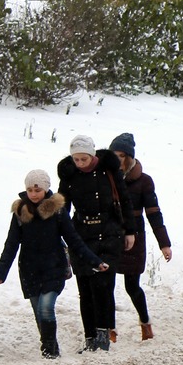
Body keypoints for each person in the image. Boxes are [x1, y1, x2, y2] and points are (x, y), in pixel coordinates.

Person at [0, 170, 109, 359]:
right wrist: (0, 273)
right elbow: (11, 245)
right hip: (29, 269)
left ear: (46, 189)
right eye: (29, 189)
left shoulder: (57, 211)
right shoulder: (21, 213)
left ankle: (48, 351)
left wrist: (95, 261)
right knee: (39, 311)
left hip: (53, 267)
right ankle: (50, 344)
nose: (33, 194)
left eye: (37, 189)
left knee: (46, 307)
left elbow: (74, 240)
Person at [56, 134, 136, 352]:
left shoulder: (108, 170)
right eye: (76, 160)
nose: (80, 164)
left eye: (84, 159)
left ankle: (103, 335)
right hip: (81, 234)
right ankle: (90, 337)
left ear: (92, 155)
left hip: (109, 233)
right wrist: (59, 233)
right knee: (85, 289)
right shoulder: (70, 175)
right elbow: (62, 207)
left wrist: (130, 230)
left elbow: (125, 200)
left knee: (103, 285)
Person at [110, 132, 172, 342]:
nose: (117, 159)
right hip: (109, 235)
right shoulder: (104, 178)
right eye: (114, 154)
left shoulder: (143, 181)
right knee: (105, 283)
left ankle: (145, 323)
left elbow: (154, 213)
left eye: (121, 155)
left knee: (132, 285)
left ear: (129, 157)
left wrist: (164, 243)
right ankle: (110, 329)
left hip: (134, 237)